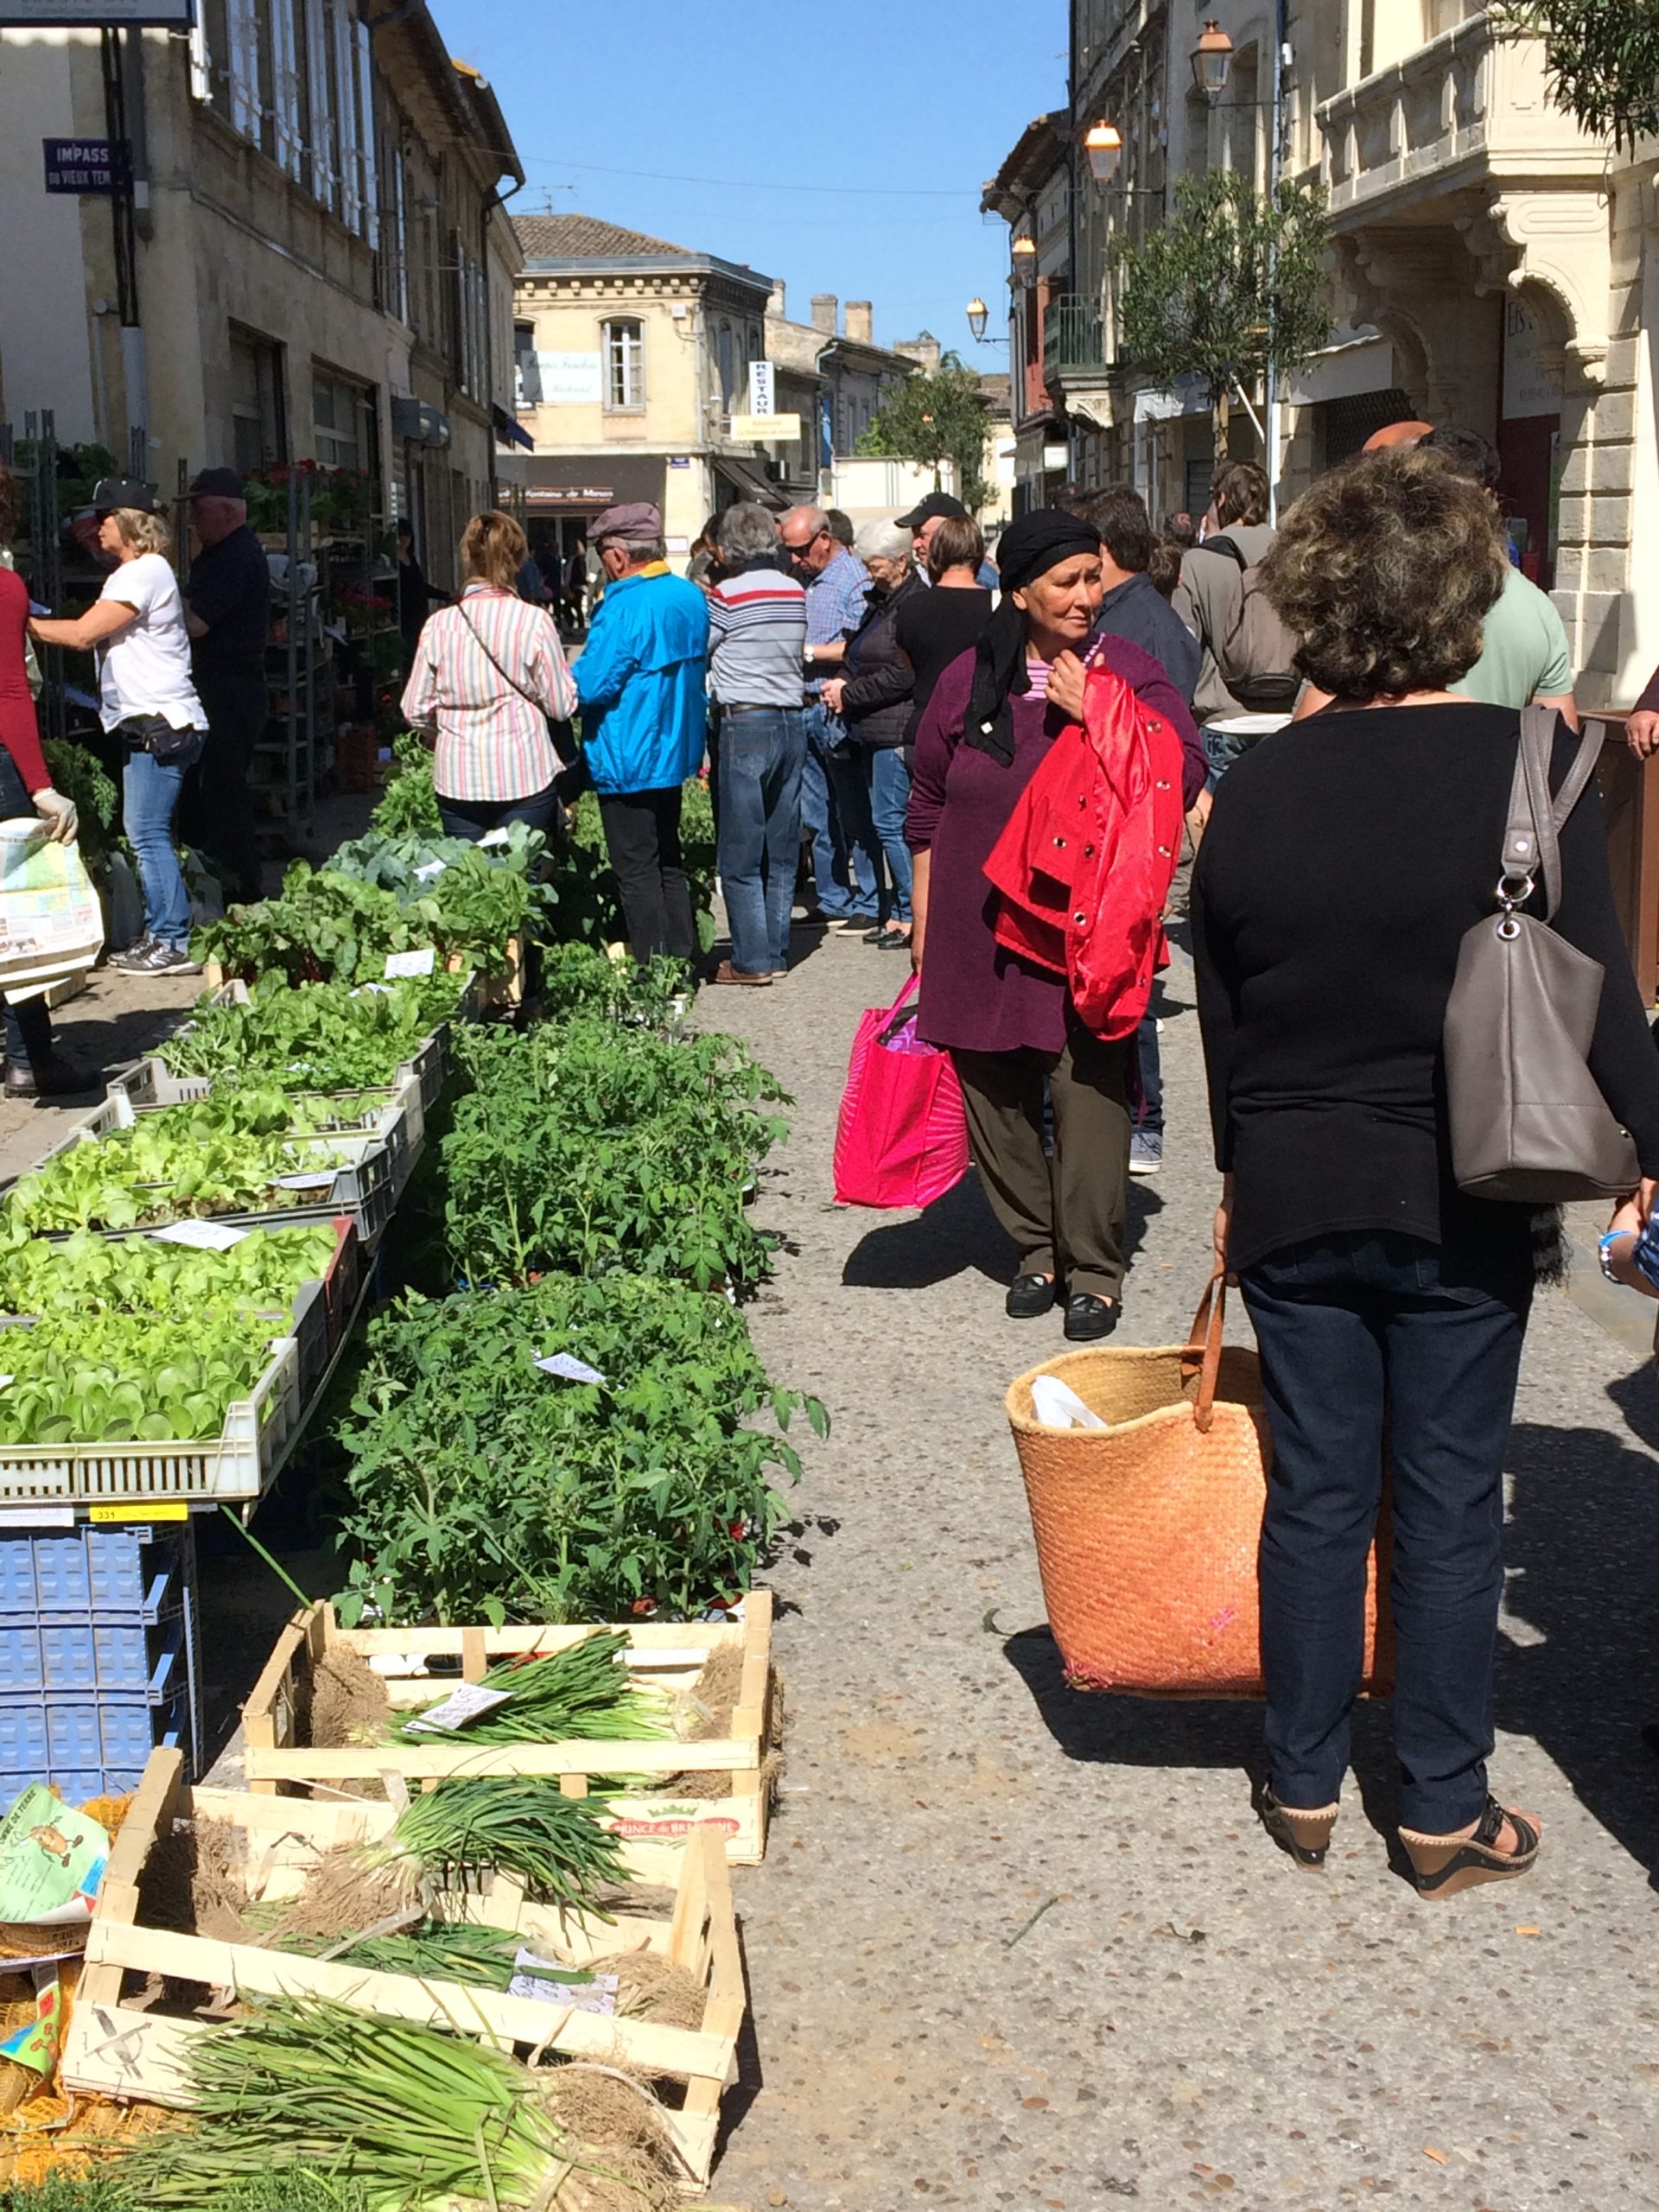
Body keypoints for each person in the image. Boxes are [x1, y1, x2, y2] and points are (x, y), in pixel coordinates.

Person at [1192, 444, 1659, 1897]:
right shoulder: (1529, 765)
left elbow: (1225, 1009)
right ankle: (1443, 1806)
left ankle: (1303, 1775)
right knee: (1453, 1495)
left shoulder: (1257, 790)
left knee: (1320, 1488)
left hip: (1292, 1179)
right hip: (1465, 1178)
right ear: (1463, 601)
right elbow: (1602, 994)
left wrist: (1235, 1176)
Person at [906, 510, 1204, 1342]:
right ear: (1021, 589)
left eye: (1093, 579)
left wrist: (1100, 707)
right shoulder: (969, 681)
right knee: (993, 1097)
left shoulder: (1127, 670)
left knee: (1090, 1093)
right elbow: (926, 806)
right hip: (974, 920)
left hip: (1084, 925)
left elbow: (1180, 766)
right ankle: (1035, 1248)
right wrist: (926, 922)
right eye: (1067, 582)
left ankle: (1095, 1268)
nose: (1086, 596)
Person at [31, 479, 204, 977]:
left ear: (128, 522)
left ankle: (171, 940)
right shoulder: (143, 572)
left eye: (104, 518)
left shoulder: (142, 573)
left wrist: (21, 621)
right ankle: (159, 933)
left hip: (161, 722)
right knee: (147, 831)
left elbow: (85, 634)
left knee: (146, 833)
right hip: (151, 721)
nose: (96, 527)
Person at [1087, 486, 1201, 1183]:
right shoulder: (1156, 614)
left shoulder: (1130, 629)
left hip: (1130, 824)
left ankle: (1142, 1117)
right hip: (1142, 820)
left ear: (1102, 555)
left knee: (1128, 973)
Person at [574, 501, 710, 964]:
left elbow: (592, 684)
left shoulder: (622, 607)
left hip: (627, 752)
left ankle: (653, 971)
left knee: (635, 870)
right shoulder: (689, 596)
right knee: (667, 859)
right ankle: (681, 960)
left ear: (616, 556)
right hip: (675, 748)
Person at [401, 509, 575, 843]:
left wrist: (444, 733)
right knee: (522, 881)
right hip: (524, 770)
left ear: (467, 556)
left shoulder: (440, 625)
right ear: (519, 559)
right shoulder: (534, 622)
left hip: (458, 775)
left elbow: (414, 708)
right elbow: (560, 706)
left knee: (469, 883)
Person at [0, 460, 85, 1096]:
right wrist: (40, 784)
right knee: (14, 914)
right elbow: (9, 693)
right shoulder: (5, 588)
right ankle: (30, 1058)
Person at [705, 502, 808, 985]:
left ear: (729, 549)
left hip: (745, 721)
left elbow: (703, 647)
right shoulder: (795, 591)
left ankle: (752, 959)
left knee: (740, 850)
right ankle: (778, 947)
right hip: (792, 719)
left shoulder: (724, 596)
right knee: (781, 844)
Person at [1419, 427, 1579, 725]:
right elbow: (1559, 739)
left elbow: (1316, 729)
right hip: (1499, 768)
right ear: (1489, 497)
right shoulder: (1535, 606)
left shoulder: (1378, 590)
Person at [822, 518, 923, 950]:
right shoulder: (877, 602)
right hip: (872, 725)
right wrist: (842, 680)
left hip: (895, 727)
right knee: (882, 822)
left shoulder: (913, 605)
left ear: (901, 561)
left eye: (876, 565)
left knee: (891, 822)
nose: (869, 572)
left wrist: (852, 693)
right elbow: (859, 652)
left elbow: (904, 673)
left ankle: (907, 912)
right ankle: (899, 911)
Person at [779, 503, 879, 933]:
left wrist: (806, 653)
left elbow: (858, 644)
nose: (796, 560)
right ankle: (832, 896)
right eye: (790, 552)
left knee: (853, 811)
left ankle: (871, 899)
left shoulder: (852, 579)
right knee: (815, 813)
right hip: (802, 704)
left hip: (834, 706)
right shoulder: (799, 580)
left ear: (824, 538)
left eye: (802, 550)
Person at [180, 467, 269, 907]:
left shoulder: (237, 556)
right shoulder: (221, 553)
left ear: (228, 511)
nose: (193, 522)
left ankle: (242, 888)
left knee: (223, 789)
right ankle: (220, 879)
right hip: (222, 684)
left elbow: (196, 623)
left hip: (231, 688)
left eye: (199, 511)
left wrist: (155, 595)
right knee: (211, 789)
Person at [1173, 461, 1278, 783]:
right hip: (1284, 717)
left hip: (1222, 717)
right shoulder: (1292, 553)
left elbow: (1185, 644)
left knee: (1220, 828)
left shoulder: (1197, 562)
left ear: (1222, 500)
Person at [893, 515, 995, 757]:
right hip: (978, 730)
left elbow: (907, 663)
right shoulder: (998, 607)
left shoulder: (911, 606)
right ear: (978, 553)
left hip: (924, 728)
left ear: (937, 553)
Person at [898, 490, 1001, 591]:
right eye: (914, 535)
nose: (915, 544)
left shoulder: (981, 582)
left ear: (952, 534)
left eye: (922, 535)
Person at [394, 518, 448, 647]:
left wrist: (445, 595)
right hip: (403, 613)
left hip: (418, 613)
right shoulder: (391, 560)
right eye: (400, 535)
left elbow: (420, 586)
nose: (404, 539)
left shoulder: (411, 558)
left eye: (407, 535)